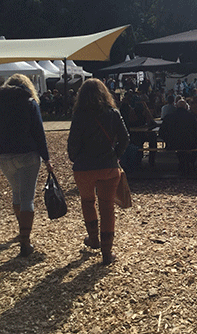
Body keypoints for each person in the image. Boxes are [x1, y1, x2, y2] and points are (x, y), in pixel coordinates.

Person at [0, 74, 53, 257]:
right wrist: (47, 158)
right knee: (27, 198)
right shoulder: (29, 102)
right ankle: (25, 240)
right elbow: (39, 132)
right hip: (28, 153)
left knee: (17, 193)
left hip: (4, 156)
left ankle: (21, 229)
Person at [67, 79, 130, 265]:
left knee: (88, 202)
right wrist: (115, 156)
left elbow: (73, 144)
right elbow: (125, 138)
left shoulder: (79, 115)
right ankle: (107, 252)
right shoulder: (113, 113)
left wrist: (76, 158)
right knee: (107, 207)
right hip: (108, 166)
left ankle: (93, 239)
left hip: (84, 168)